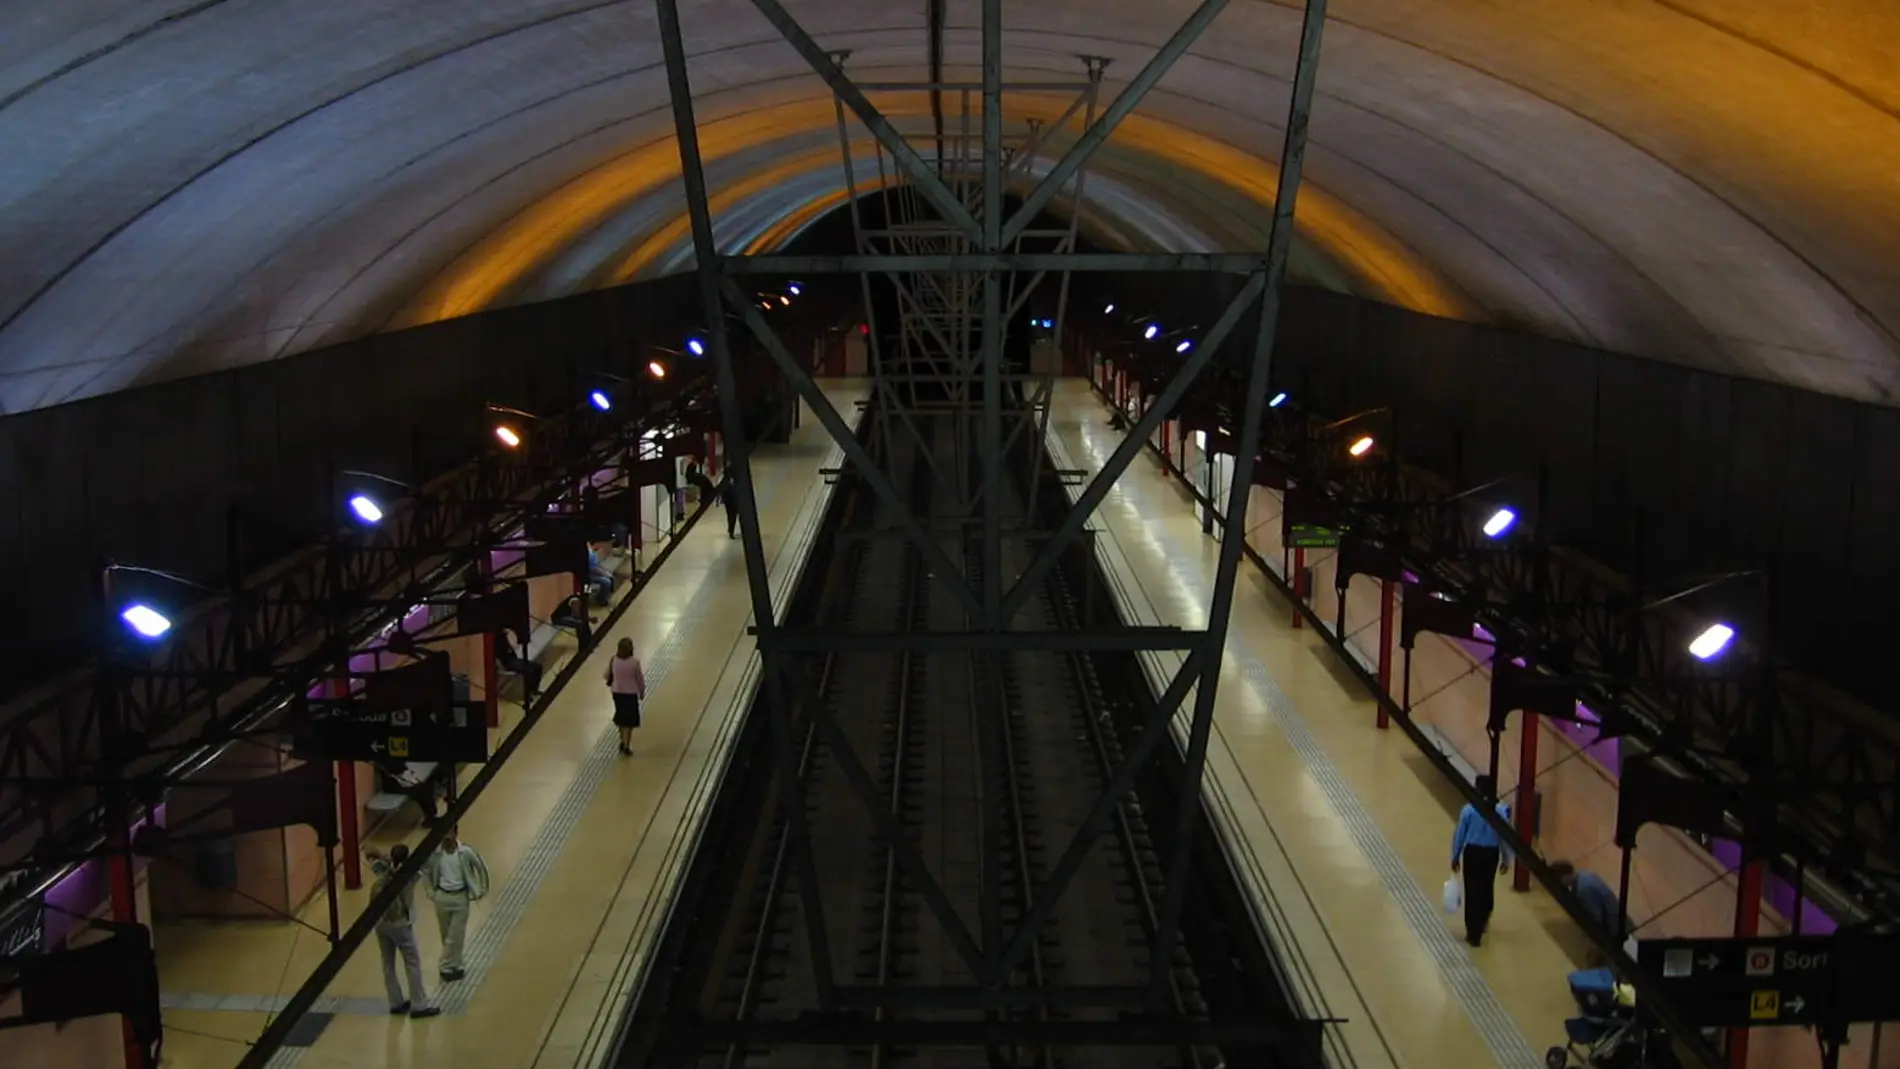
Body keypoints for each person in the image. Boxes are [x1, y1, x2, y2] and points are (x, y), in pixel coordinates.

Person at [365, 843, 439, 1018]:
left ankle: (395, 1002)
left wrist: (383, 856)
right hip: (401, 924)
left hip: (381, 922)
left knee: (387, 963)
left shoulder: (383, 870)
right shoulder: (410, 875)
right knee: (412, 962)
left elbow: (371, 855)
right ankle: (419, 1005)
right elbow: (422, 865)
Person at [420, 824, 490, 982]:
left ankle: (444, 965)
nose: (446, 837)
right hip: (442, 898)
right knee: (446, 934)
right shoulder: (436, 854)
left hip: (460, 898)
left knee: (455, 935)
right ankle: (457, 964)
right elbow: (426, 872)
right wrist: (431, 892)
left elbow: (481, 868)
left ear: (456, 833)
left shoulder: (465, 852)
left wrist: (481, 890)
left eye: (449, 833)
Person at [1449, 773, 1513, 947]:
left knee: (1472, 890)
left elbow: (1459, 835)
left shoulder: (1469, 809)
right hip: (1491, 854)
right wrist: (1507, 859)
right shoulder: (1500, 810)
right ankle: (1484, 919)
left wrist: (1455, 856)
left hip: (1472, 853)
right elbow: (1505, 836)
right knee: (1487, 887)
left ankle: (1473, 932)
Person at [1551, 859, 1630, 945]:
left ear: (1565, 876)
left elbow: (1594, 920)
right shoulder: (1585, 874)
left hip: (1613, 930)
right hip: (1619, 921)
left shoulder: (1583, 890)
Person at [605, 637, 648, 756]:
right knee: (630, 721)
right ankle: (627, 745)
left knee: (621, 717)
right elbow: (639, 678)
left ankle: (621, 740)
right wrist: (642, 691)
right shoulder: (634, 662)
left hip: (617, 693)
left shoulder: (613, 660)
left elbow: (606, 675)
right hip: (631, 694)